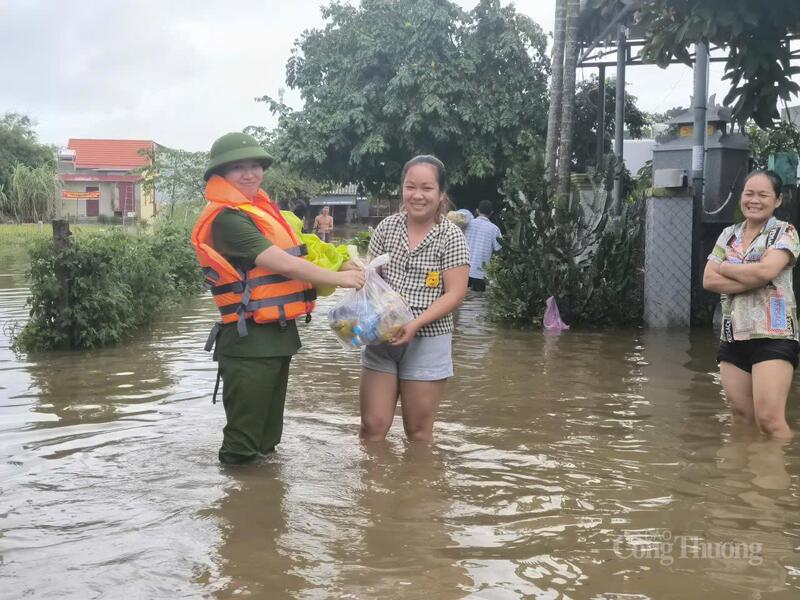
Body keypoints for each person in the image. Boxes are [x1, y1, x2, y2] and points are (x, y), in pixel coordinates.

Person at [191, 132, 365, 464]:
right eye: (238, 167)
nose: (250, 174)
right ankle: (237, 496)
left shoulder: (265, 213)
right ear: (220, 174)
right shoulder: (227, 220)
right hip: (248, 342)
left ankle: (266, 494)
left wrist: (343, 262)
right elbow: (280, 262)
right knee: (243, 445)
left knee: (268, 442)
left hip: (279, 338)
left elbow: (308, 249)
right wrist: (339, 279)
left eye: (255, 166)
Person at [360, 155, 470, 443]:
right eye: (410, 187)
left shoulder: (451, 236)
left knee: (419, 433)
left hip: (428, 339)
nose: (417, 195)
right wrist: (355, 276)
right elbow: (371, 279)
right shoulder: (386, 228)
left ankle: (420, 475)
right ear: (402, 189)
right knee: (372, 427)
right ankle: (371, 475)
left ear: (441, 193)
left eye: (427, 188)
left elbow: (456, 293)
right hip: (382, 337)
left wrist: (415, 324)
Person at [703, 170, 800, 439]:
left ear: (777, 200)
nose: (754, 200)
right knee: (741, 417)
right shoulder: (728, 235)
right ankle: (742, 467)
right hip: (733, 335)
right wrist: (752, 276)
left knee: (769, 420)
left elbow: (766, 272)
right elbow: (708, 280)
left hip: (774, 334)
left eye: (763, 195)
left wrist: (725, 267)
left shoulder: (785, 233)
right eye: (749, 194)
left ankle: (783, 465)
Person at [464, 200, 501, 292]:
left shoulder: (467, 224)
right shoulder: (494, 229)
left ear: (477, 210)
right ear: (491, 212)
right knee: (478, 298)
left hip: (463, 269)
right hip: (480, 273)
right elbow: (499, 249)